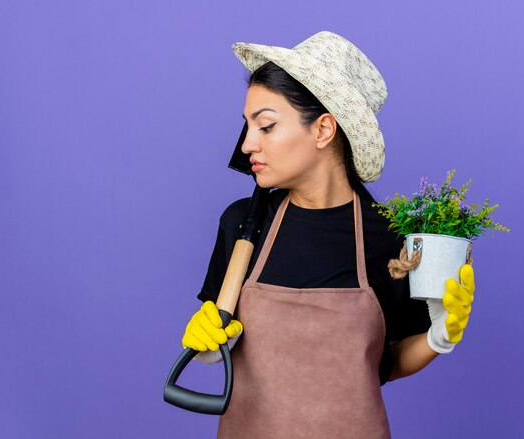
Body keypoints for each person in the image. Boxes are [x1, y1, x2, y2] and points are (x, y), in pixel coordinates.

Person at [181, 31, 476, 438]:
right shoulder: (243, 225)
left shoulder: (388, 237)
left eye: (266, 126)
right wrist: (207, 347)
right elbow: (219, 336)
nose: (248, 143)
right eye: (247, 126)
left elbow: (386, 364)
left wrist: (439, 336)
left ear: (323, 130)